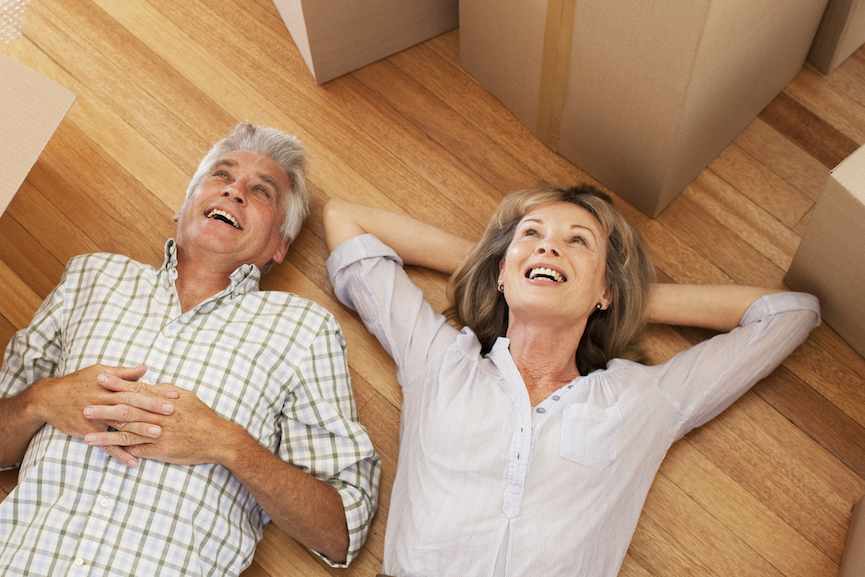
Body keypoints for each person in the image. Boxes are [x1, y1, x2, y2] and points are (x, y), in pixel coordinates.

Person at [324, 184, 819, 577]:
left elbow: (790, 315)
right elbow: (345, 219)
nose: (549, 245)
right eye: (532, 234)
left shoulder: (642, 400)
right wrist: (511, 267)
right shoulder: (439, 359)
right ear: (501, 273)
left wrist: (617, 295)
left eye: (577, 240)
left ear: (606, 289)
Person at [0, 122, 380, 576]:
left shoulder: (304, 330)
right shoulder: (91, 277)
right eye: (221, 175)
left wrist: (227, 444)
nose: (234, 191)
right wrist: (42, 400)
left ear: (279, 245)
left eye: (262, 192)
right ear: (182, 208)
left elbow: (339, 533)